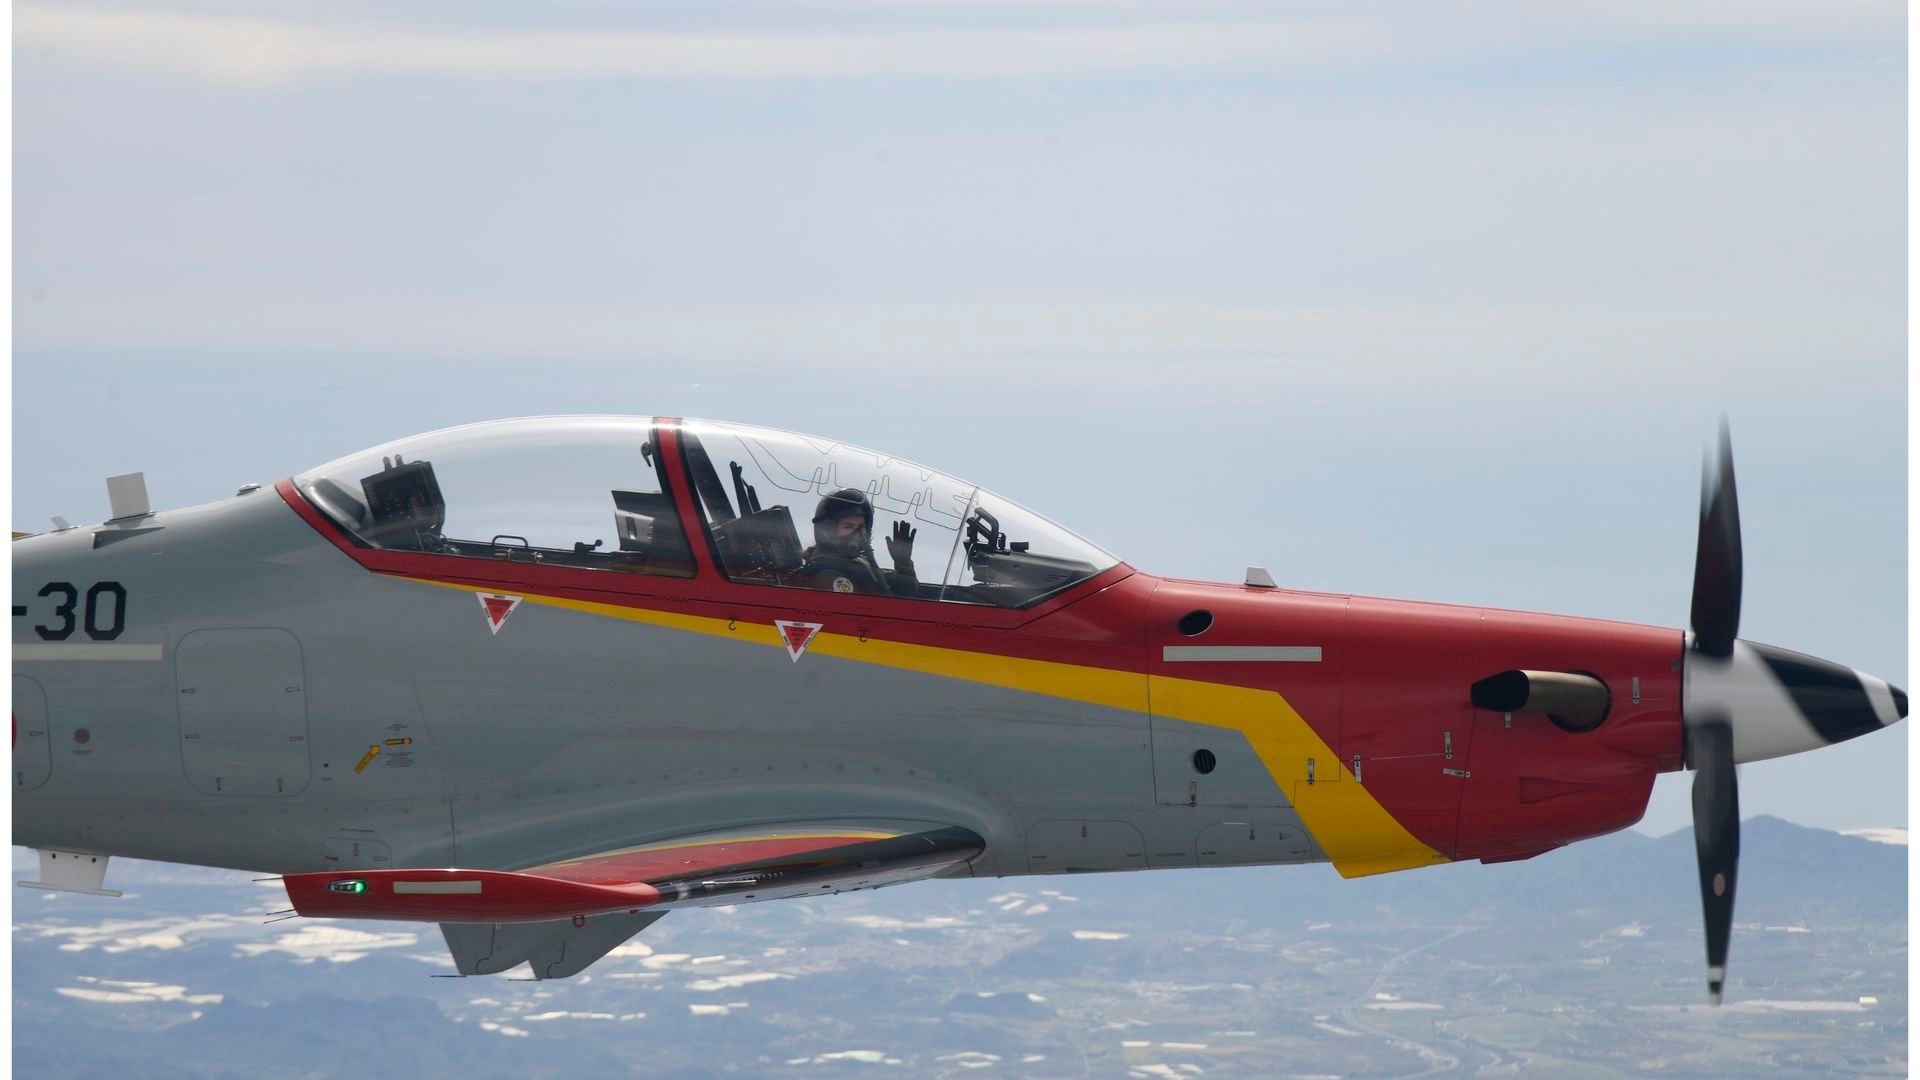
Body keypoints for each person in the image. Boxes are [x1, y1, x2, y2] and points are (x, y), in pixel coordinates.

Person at [798, 488, 918, 597]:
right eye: (848, 527)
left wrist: (903, 564)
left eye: (861, 527)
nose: (857, 534)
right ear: (827, 530)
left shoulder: (860, 565)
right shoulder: (826, 575)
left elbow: (907, 595)